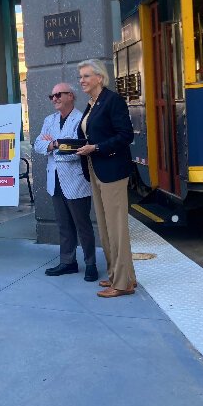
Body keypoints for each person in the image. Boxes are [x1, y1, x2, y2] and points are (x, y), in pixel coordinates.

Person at [75, 60, 137, 298]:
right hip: (95, 169)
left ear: (99, 78)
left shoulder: (113, 101)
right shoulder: (92, 104)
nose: (82, 80)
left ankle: (122, 284)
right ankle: (118, 275)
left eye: (86, 76)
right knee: (105, 227)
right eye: (80, 77)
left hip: (111, 170)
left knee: (116, 228)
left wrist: (97, 147)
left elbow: (125, 135)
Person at [34, 82, 98, 282]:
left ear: (70, 96)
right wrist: (55, 144)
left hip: (76, 181)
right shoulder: (49, 120)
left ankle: (90, 264)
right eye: (51, 96)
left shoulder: (82, 119)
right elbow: (38, 144)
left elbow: (80, 149)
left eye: (58, 95)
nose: (54, 99)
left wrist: (55, 147)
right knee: (63, 225)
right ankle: (68, 262)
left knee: (83, 225)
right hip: (55, 181)